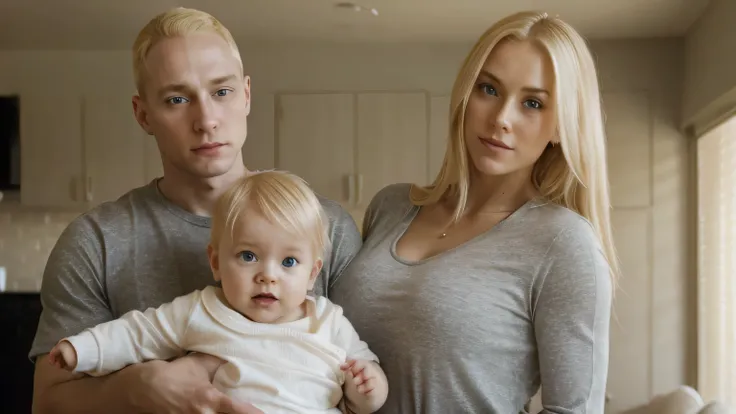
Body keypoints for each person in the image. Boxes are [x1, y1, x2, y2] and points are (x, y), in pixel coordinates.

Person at [29, 7, 362, 414]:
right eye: (177, 99)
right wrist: (134, 389)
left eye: (221, 92)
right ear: (143, 114)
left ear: (246, 96)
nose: (206, 120)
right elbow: (48, 402)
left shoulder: (326, 227)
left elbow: (371, 379)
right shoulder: (94, 242)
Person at [329, 10, 618, 414]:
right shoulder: (390, 207)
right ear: (466, 94)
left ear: (560, 127)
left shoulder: (564, 243)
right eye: (489, 89)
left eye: (532, 103)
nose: (502, 119)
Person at [46, 170, 388, 414]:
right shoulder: (203, 310)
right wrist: (82, 349)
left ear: (313, 273)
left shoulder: (328, 321)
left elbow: (365, 383)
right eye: (248, 256)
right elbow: (137, 333)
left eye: (288, 261)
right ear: (216, 262)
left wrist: (368, 389)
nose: (267, 276)